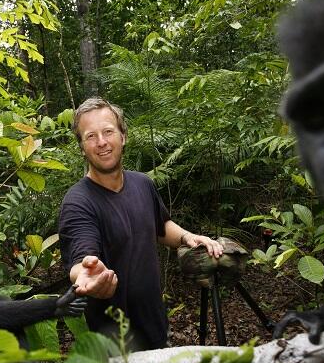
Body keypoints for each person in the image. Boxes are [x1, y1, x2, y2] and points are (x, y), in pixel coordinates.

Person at [59, 97, 223, 350]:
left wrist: (187, 237)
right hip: (114, 342)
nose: (101, 142)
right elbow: (81, 259)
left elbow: (159, 226)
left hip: (154, 324)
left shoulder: (142, 183)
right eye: (91, 136)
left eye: (108, 132)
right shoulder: (78, 202)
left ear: (123, 136)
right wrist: (88, 276)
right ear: (82, 147)